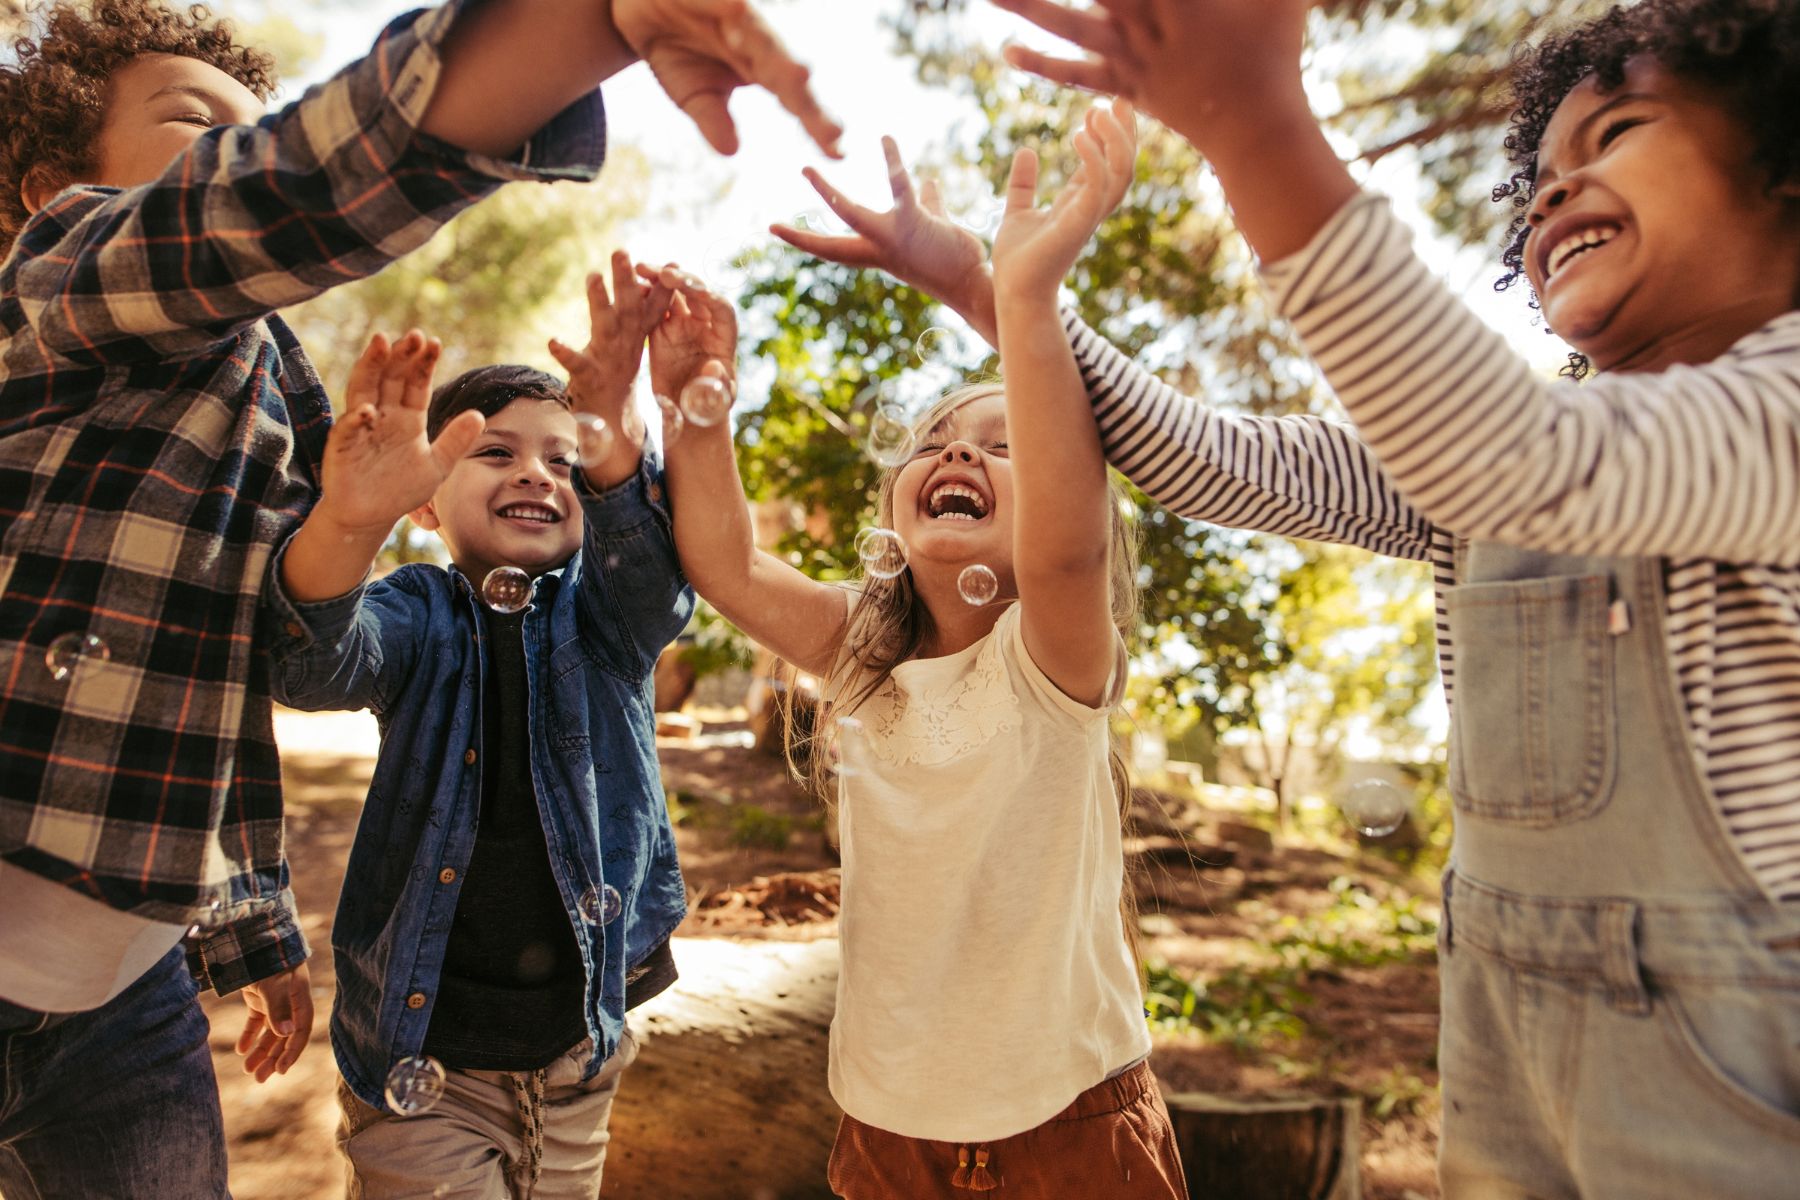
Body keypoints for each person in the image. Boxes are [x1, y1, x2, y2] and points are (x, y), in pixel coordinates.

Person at [785, 0, 1800, 1194]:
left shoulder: (1771, 408)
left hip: (1737, 1049)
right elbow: (1214, 457)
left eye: (1616, 132)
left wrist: (1255, 125)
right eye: (1543, 172)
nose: (1551, 194)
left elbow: (1523, 455)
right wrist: (1003, 294)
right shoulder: (1478, 462)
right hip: (1504, 1025)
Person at [0, 0, 836, 1194]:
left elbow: (212, 682)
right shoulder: (60, 271)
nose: (238, 147)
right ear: (45, 188)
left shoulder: (277, 388)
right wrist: (566, 33)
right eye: (200, 125)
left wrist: (252, 931)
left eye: (257, 125)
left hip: (128, 990)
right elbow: (313, 652)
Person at [656, 101, 1186, 1197]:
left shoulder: (1053, 660)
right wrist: (694, 413)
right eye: (937, 443)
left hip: (1071, 1118)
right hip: (886, 1121)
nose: (960, 451)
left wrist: (1022, 297)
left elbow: (1073, 547)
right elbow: (729, 568)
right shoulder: (865, 659)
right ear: (898, 511)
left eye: (1005, 444)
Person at [262, 254, 690, 1198]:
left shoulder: (607, 619)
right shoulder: (419, 613)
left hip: (581, 1048)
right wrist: (347, 518)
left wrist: (615, 431)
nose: (536, 474)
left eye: (564, 458)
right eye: (494, 453)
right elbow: (311, 661)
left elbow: (658, 578)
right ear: (425, 499)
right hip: (426, 1061)